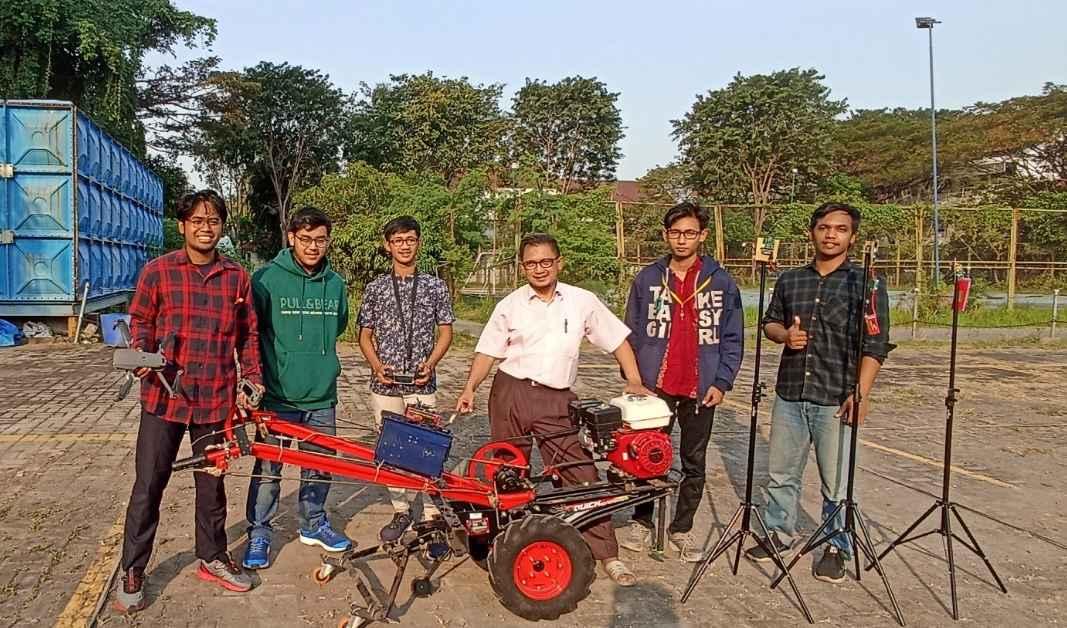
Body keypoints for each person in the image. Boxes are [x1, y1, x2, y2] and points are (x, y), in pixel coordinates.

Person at [455, 233, 656, 587]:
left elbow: (617, 340)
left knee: (579, 471)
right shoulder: (510, 305)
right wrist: (470, 387)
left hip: (557, 399)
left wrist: (635, 379)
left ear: (559, 262)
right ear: (522, 267)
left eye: (546, 261)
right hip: (511, 392)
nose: (539, 269)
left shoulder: (582, 301)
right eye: (531, 263)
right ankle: (503, 549)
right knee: (506, 471)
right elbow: (488, 351)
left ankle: (607, 553)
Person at [114, 190, 264, 612]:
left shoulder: (235, 277)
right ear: (182, 225)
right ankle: (133, 567)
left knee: (212, 486)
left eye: (213, 220)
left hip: (216, 398)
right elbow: (140, 320)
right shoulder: (159, 272)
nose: (205, 227)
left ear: (221, 226)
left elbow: (248, 335)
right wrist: (143, 354)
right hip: (165, 398)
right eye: (197, 220)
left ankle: (212, 556)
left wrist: (251, 378)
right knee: (148, 485)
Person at [746, 202, 893, 584]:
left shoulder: (867, 283)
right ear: (812, 232)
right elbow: (770, 323)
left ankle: (835, 545)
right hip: (791, 392)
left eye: (840, 229)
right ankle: (779, 532)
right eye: (824, 227)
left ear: (852, 237)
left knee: (836, 481)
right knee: (780, 473)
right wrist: (784, 336)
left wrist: (860, 393)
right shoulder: (791, 279)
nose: (831, 235)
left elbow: (876, 344)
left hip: (836, 395)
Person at [621, 201, 744, 562]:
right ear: (665, 235)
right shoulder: (648, 278)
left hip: (700, 387)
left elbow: (733, 337)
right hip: (654, 386)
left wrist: (721, 381)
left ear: (702, 236)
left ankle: (682, 528)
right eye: (675, 233)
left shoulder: (720, 282)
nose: (682, 240)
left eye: (690, 233)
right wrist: (633, 378)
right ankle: (641, 524)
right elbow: (630, 331)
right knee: (645, 457)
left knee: (694, 460)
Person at [242, 207, 352, 570]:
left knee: (320, 465)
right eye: (305, 239)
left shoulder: (335, 284)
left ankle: (314, 522)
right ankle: (259, 531)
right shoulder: (266, 280)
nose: (313, 247)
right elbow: (252, 337)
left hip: (321, 395)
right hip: (277, 397)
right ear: (290, 237)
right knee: (268, 470)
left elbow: (337, 326)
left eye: (320, 240)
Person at [357, 216, 455, 542]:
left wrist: (431, 362)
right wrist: (376, 365)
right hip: (385, 384)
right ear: (388, 245)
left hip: (421, 382)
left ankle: (430, 513)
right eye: (397, 240)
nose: (404, 245)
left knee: (426, 446)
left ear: (418, 242)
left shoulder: (435, 286)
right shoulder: (375, 288)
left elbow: (445, 331)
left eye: (410, 239)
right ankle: (400, 509)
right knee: (391, 447)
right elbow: (364, 335)